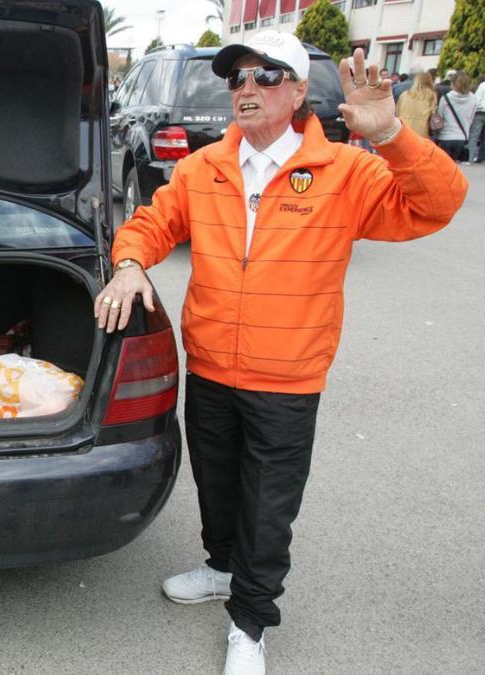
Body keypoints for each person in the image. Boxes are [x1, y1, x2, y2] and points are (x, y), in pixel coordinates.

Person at [94, 33, 466, 675]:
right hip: (211, 365)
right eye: (237, 77)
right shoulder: (203, 167)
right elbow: (152, 222)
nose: (247, 88)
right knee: (216, 484)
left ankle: (250, 622)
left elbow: (437, 205)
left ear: (297, 92)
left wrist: (391, 136)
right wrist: (128, 263)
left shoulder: (347, 172)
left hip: (288, 379)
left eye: (267, 76)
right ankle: (220, 568)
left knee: (269, 506)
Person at [434, 73, 478, 163]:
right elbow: (471, 117)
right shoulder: (474, 99)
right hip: (462, 138)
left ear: (453, 84)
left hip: (445, 137)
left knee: (442, 166)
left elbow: (440, 117)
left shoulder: (446, 98)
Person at [396, 71, 437, 139]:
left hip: (404, 130)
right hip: (422, 132)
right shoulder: (431, 95)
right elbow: (433, 114)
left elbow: (397, 113)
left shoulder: (404, 94)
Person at [468, 75, 485, 163]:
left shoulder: (482, 85)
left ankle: (470, 158)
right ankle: (481, 158)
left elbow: (476, 99)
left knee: (474, 136)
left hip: (480, 113)